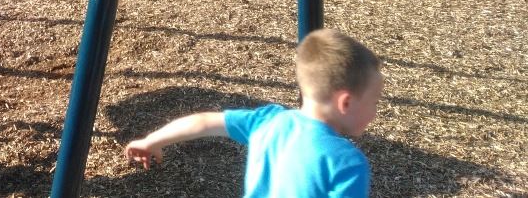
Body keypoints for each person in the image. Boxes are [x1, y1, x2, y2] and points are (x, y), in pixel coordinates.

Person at [125, 28, 383, 197]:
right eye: (374, 102)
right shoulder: (346, 162)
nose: (375, 111)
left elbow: (203, 122)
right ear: (345, 103)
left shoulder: (267, 121)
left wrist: (151, 141)